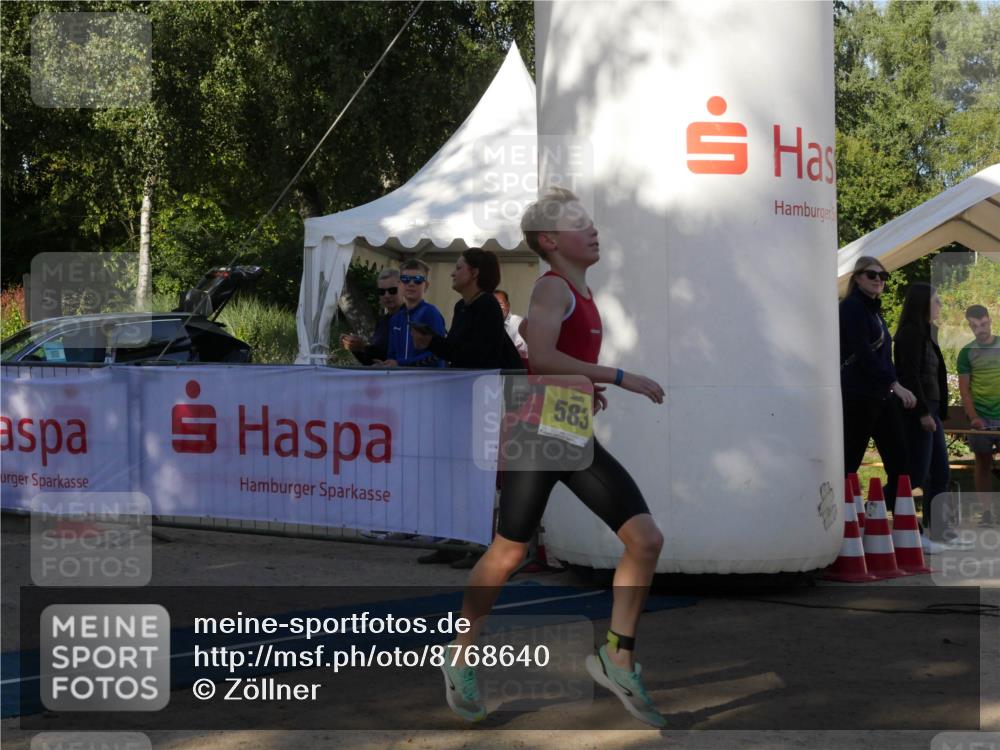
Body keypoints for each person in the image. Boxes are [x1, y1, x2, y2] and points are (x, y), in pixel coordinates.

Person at [439, 187, 668, 727]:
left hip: (564, 422)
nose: (593, 229)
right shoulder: (552, 288)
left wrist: (584, 385)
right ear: (549, 240)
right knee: (508, 553)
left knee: (645, 539)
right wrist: (618, 376)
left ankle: (617, 657)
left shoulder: (578, 291)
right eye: (579, 223)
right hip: (540, 426)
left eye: (591, 221)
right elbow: (538, 357)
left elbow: (556, 364)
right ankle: (461, 654)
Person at [839, 256, 917, 513]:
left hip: (880, 397)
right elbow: (863, 353)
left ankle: (900, 523)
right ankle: (839, 523)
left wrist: (892, 385)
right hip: (858, 396)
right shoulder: (850, 307)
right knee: (849, 462)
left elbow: (885, 357)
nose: (878, 281)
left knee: (901, 462)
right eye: (872, 275)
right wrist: (895, 384)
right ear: (858, 277)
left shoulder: (875, 312)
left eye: (883, 276)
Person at [893, 283, 950, 543]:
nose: (939, 305)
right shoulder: (910, 334)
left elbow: (934, 374)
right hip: (920, 411)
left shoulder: (928, 333)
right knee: (916, 473)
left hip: (933, 410)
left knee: (940, 472)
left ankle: (938, 529)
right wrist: (923, 412)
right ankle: (878, 508)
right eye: (936, 300)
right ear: (923, 303)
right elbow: (910, 375)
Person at [410, 249, 522, 371]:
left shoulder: (488, 305)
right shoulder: (461, 306)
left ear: (474, 273)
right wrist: (431, 340)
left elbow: (477, 355)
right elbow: (455, 348)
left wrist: (432, 342)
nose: (452, 274)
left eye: (458, 268)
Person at [957, 304, 1000, 521]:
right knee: (982, 463)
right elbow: (964, 390)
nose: (980, 329)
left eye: (983, 324)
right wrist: (974, 417)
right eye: (975, 326)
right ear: (970, 326)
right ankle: (986, 512)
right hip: (981, 417)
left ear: (989, 321)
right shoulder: (967, 353)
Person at [379, 259, 446, 368]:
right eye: (405, 279)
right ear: (400, 285)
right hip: (401, 381)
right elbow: (391, 355)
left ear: (426, 285)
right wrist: (386, 364)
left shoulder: (431, 313)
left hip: (428, 381)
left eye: (418, 280)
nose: (411, 284)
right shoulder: (395, 319)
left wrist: (401, 364)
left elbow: (437, 354)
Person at [340, 268, 402, 365]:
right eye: (382, 292)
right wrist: (354, 348)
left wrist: (363, 347)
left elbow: (399, 358)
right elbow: (372, 362)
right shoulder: (382, 321)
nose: (387, 295)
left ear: (403, 290)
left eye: (392, 290)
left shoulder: (410, 319)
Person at [494, 289, 528, 359]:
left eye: (500, 304)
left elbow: (520, 352)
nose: (495, 308)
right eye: (492, 305)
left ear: (508, 305)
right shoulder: (489, 325)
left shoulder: (516, 321)